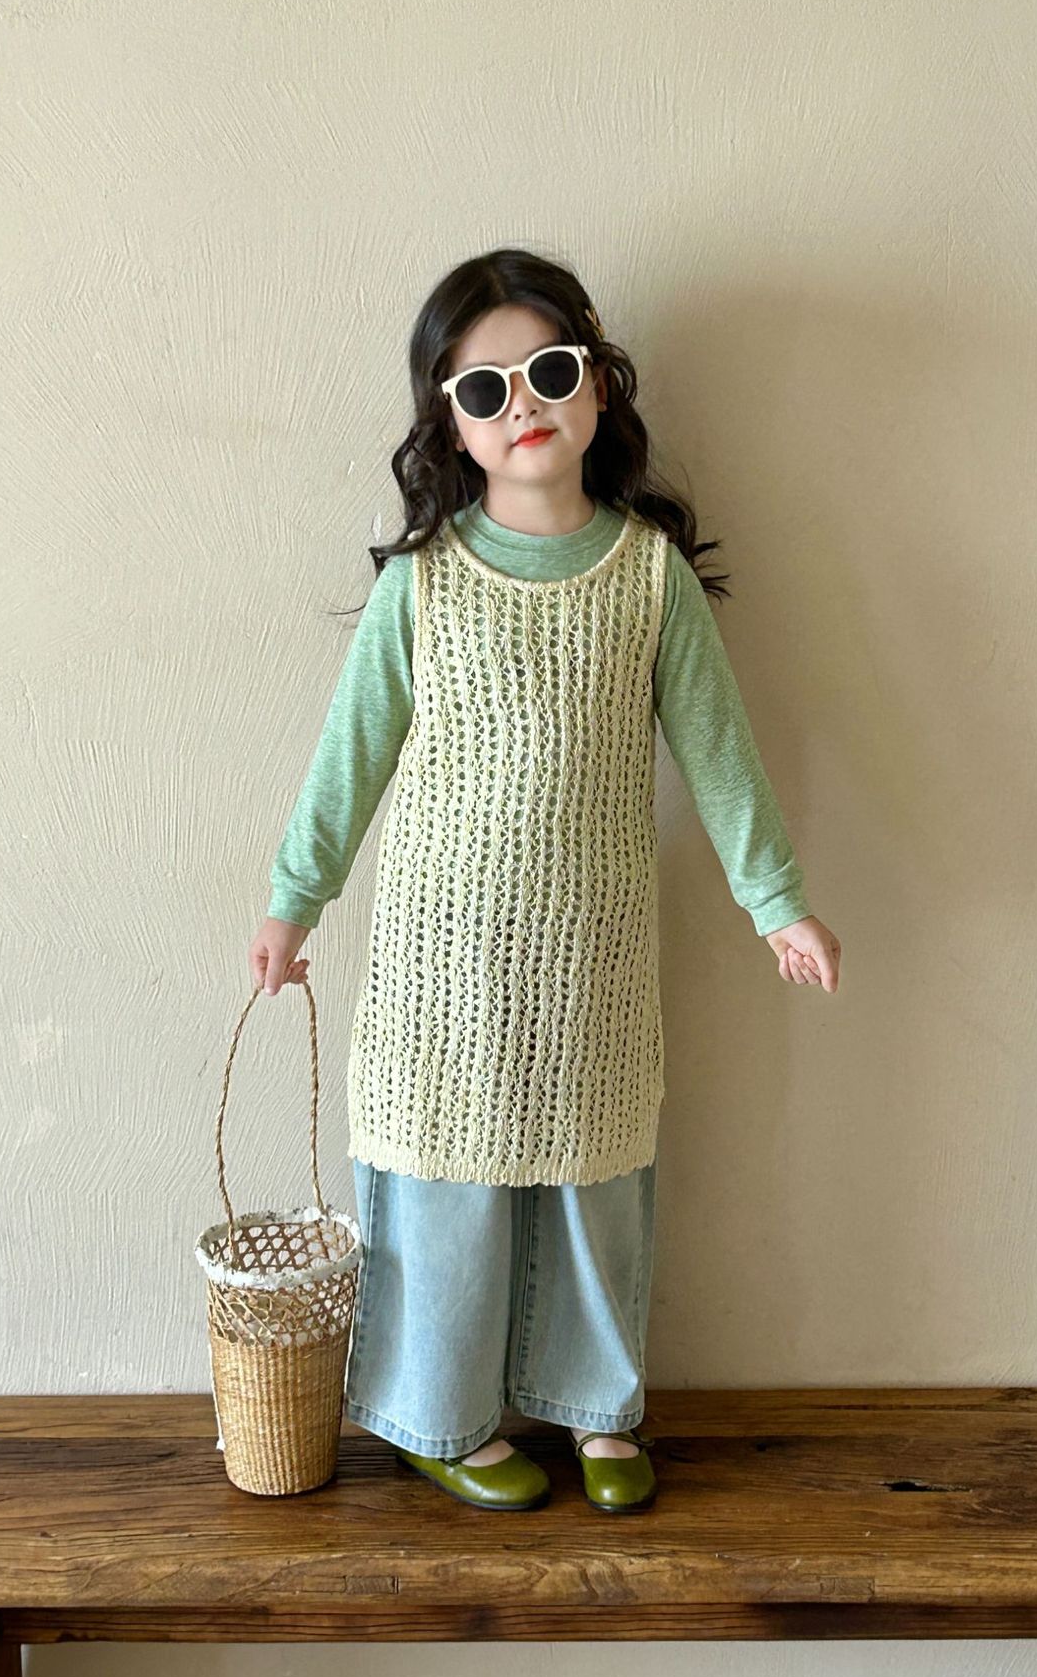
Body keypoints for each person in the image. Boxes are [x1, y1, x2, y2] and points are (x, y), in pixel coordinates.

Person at [248, 246, 842, 1513]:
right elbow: (349, 758)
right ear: (452, 427)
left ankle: (597, 1407)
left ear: (598, 387)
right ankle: (437, 1415)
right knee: (445, 1185)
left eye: (550, 371)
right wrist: (294, 902)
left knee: (595, 1179)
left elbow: (721, 755)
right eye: (485, 389)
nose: (523, 403)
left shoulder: (648, 578)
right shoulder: (422, 583)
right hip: (440, 963)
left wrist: (777, 900)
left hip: (594, 956)